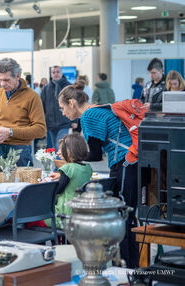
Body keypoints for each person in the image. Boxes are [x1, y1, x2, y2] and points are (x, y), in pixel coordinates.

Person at [58, 81, 139, 269]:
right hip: (131, 161)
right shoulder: (98, 109)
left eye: (63, 108)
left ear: (72, 103)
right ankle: (132, 265)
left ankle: (125, 268)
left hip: (125, 162)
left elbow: (94, 153)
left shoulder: (89, 116)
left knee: (123, 215)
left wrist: (70, 156)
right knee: (129, 215)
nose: (63, 113)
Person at [0, 58, 46, 166]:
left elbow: (40, 130)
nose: (2, 84)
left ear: (18, 76)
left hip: (19, 151)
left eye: (6, 80)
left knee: (21, 183)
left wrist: (10, 132)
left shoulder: (32, 97)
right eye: (0, 79)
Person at [35, 133, 92, 229]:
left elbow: (57, 191)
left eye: (61, 149)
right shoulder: (87, 168)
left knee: (31, 219)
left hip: (64, 216)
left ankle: (40, 243)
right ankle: (57, 240)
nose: (57, 153)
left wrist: (44, 183)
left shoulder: (68, 168)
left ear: (69, 151)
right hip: (80, 214)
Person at [40, 66, 71, 150]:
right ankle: (59, 163)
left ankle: (61, 162)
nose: (56, 74)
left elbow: (73, 105)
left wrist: (75, 121)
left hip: (64, 122)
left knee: (60, 147)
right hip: (50, 123)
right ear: (51, 74)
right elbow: (42, 106)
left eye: (57, 72)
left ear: (61, 73)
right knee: (55, 148)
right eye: (53, 72)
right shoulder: (46, 88)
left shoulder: (68, 86)